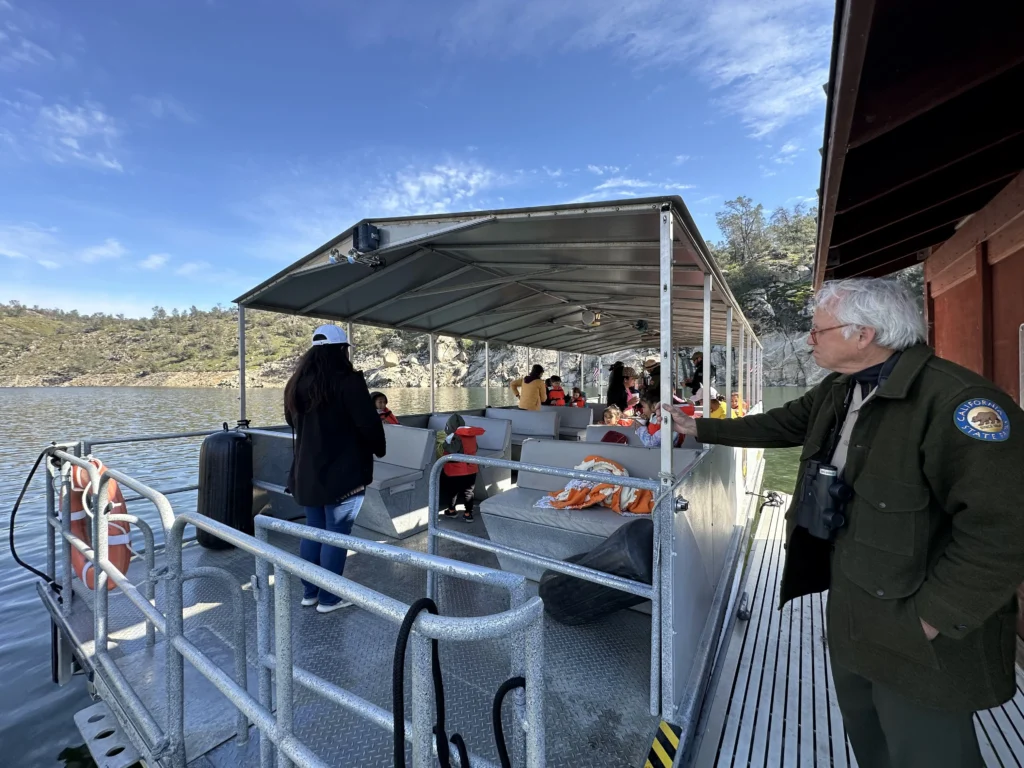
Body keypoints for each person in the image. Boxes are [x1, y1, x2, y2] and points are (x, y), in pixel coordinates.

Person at [662, 278, 1024, 768]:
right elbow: (781, 424)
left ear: (864, 334)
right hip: (852, 594)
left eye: (818, 330)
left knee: (927, 748)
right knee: (867, 730)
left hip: (915, 613)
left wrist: (933, 618)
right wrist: (699, 427)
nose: (810, 338)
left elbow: (1003, 529)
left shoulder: (958, 403)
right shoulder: (841, 389)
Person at [284, 324, 386, 614]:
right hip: (343, 475)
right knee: (337, 534)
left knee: (314, 530)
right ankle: (329, 599)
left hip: (307, 472)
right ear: (342, 350)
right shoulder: (347, 382)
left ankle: (310, 592)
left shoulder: (296, 384)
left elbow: (293, 422)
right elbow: (367, 424)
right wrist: (378, 448)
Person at [436, 414, 485, 523]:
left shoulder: (456, 437)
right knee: (469, 492)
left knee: (453, 491)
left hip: (457, 469)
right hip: (471, 468)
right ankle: (468, 513)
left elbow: (452, 449)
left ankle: (451, 510)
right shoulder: (470, 435)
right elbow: (475, 448)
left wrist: (445, 445)